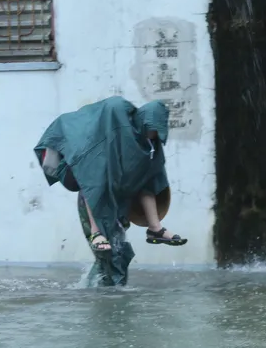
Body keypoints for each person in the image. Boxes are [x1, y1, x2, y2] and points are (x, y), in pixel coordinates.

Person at [34, 96, 187, 286]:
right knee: (107, 254)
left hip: (119, 203)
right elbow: (92, 187)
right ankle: (99, 294)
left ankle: (106, 293)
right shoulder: (101, 152)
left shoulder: (145, 149)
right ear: (144, 122)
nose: (155, 135)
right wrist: (96, 232)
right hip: (92, 202)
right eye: (153, 130)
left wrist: (155, 226)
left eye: (158, 131)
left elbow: (149, 183)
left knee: (118, 251)